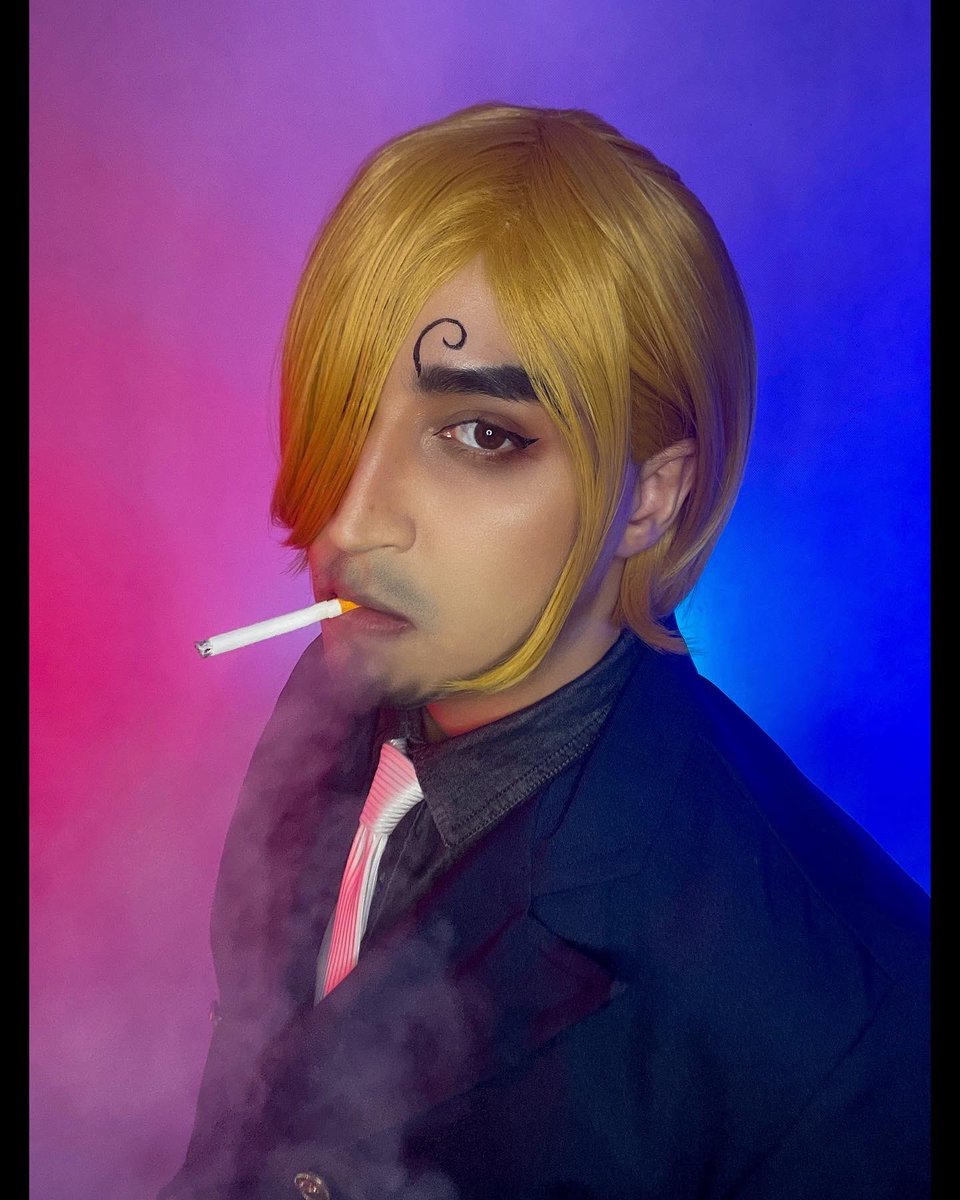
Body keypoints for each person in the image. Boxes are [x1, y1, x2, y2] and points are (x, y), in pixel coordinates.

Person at [160, 103, 929, 1200]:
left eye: (482, 434)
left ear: (651, 498)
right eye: (342, 406)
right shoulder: (332, 697)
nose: (352, 519)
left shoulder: (843, 1034)